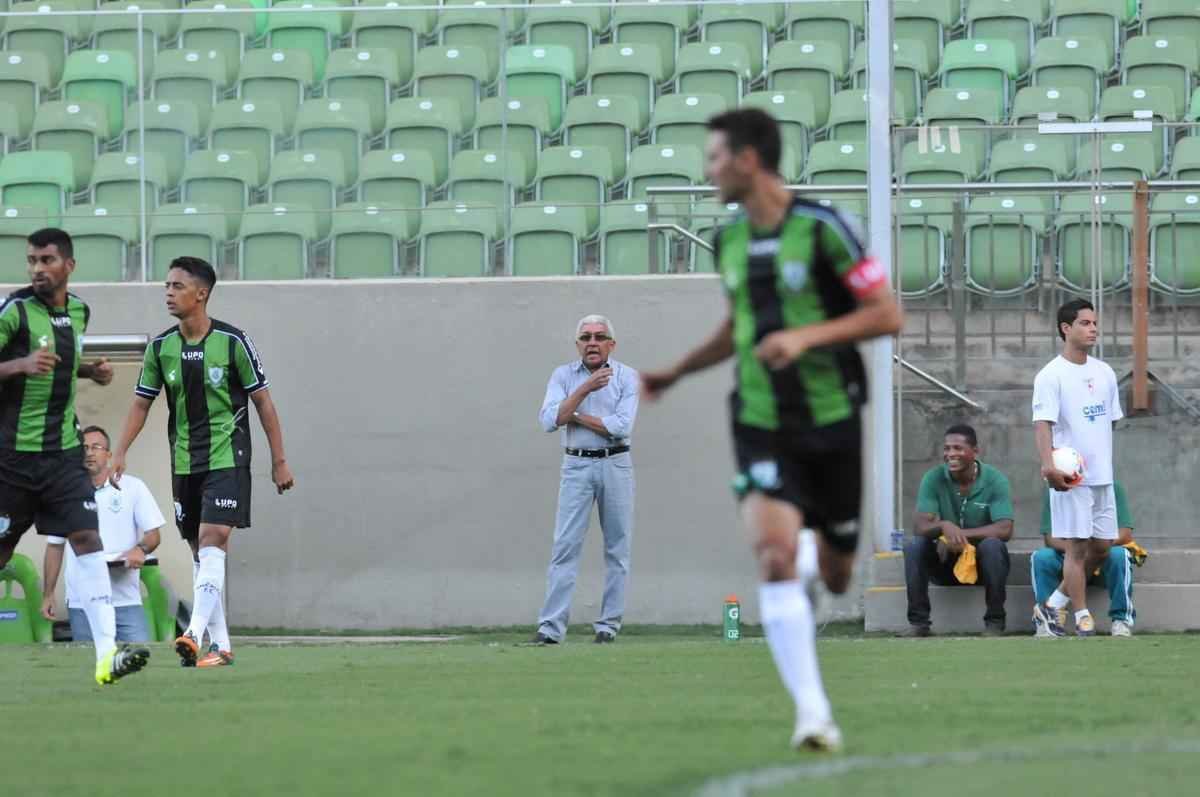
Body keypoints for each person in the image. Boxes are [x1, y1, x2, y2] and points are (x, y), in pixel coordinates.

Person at [640, 109, 903, 751]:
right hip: (760, 420)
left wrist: (805, 337)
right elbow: (741, 328)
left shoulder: (823, 229)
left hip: (832, 417)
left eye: (714, 158)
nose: (708, 171)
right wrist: (677, 371)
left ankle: (820, 556)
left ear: (749, 159)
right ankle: (813, 713)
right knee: (772, 557)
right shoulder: (727, 240)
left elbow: (887, 315)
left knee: (839, 576)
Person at [111, 256, 295, 668]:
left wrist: (279, 461)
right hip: (184, 463)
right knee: (200, 551)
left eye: (177, 286)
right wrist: (120, 451)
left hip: (228, 456)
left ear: (202, 294)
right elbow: (142, 404)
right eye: (167, 286)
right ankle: (222, 646)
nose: (169, 293)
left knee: (214, 537)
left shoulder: (233, 342)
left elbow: (263, 402)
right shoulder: (161, 347)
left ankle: (192, 633)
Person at [0, 227, 149, 684]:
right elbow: (26, 363)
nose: (37, 269)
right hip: (14, 458)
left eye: (46, 260)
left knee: (87, 538)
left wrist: (92, 370)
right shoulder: (15, 311)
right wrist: (19, 365)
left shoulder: (80, 311)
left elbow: (63, 358)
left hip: (65, 454)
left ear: (69, 265)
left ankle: (106, 656)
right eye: (31, 261)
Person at [532, 314, 639, 645]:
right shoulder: (562, 376)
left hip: (616, 463)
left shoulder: (628, 377)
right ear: (578, 344)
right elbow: (549, 420)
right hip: (576, 466)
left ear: (611, 344)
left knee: (617, 549)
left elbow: (620, 426)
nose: (592, 342)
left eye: (599, 336)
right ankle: (551, 629)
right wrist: (585, 389)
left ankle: (608, 626)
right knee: (564, 547)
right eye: (586, 337)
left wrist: (573, 415)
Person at [1031, 298, 1123, 638]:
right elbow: (1042, 423)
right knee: (1076, 547)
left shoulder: (1105, 372)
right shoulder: (1050, 375)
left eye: (1095, 323)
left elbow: (1110, 422)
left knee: (1102, 547)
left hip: (1102, 476)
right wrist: (1049, 465)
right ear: (1066, 329)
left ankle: (1052, 606)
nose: (1093, 328)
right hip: (1071, 479)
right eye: (1085, 323)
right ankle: (1081, 615)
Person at [41, 425, 165, 643]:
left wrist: (139, 549)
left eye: (96, 447)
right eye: (84, 447)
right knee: (89, 668)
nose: (89, 452)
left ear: (108, 454)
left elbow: (153, 535)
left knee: (140, 664)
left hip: (125, 600)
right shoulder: (63, 493)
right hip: (82, 602)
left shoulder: (133, 487)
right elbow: (55, 546)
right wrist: (48, 593)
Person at [904, 424, 1014, 637]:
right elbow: (920, 526)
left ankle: (995, 623)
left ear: (975, 451)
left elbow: (1005, 529)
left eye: (958, 448)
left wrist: (958, 536)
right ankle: (919, 623)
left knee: (993, 545)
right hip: (945, 563)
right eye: (947, 449)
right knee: (915, 544)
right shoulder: (933, 478)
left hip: (982, 567)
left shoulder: (995, 480)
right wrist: (944, 526)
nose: (950, 454)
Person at [1033, 479, 1136, 637]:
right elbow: (1050, 538)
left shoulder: (1110, 487)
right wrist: (1077, 551)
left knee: (1120, 555)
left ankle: (1121, 620)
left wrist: (1089, 550)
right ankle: (1050, 621)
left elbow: (1125, 534)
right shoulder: (1056, 489)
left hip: (1101, 555)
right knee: (1041, 557)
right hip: (1067, 556)